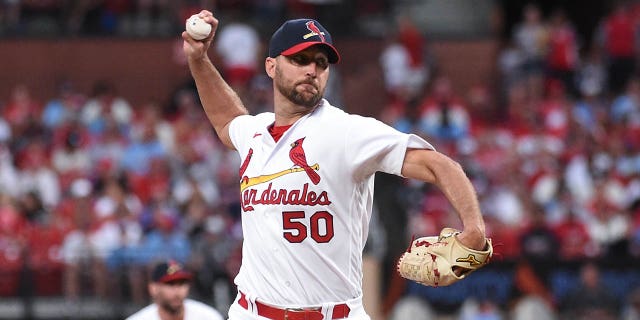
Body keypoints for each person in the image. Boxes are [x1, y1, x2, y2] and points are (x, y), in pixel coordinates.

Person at [182, 10, 489, 320]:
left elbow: (438, 164)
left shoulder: (347, 132)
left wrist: (474, 229)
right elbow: (228, 121)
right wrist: (199, 59)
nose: (312, 70)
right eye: (300, 60)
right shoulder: (255, 133)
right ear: (271, 66)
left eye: (321, 63)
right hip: (251, 312)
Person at [126, 259, 224, 320]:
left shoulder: (208, 316)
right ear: (153, 288)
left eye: (182, 284)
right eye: (170, 284)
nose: (177, 291)